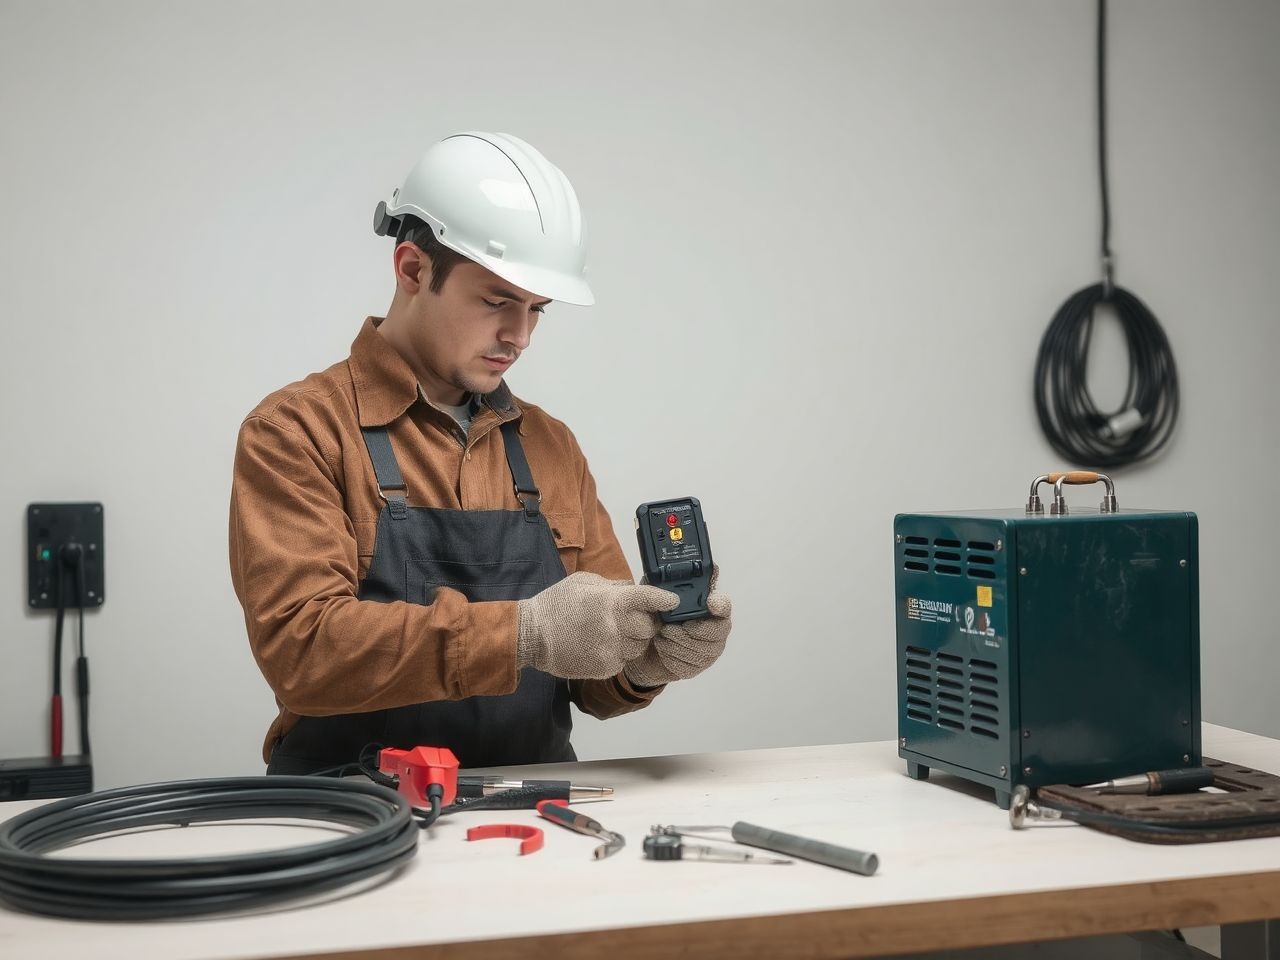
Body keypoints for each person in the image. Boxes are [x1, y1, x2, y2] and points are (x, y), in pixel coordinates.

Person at [229, 132, 733, 774]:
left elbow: (592, 686)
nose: (519, 336)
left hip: (532, 805)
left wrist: (647, 657)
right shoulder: (298, 430)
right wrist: (521, 632)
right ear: (412, 269)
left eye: (536, 309)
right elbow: (303, 654)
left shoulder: (551, 446)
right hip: (353, 814)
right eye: (496, 301)